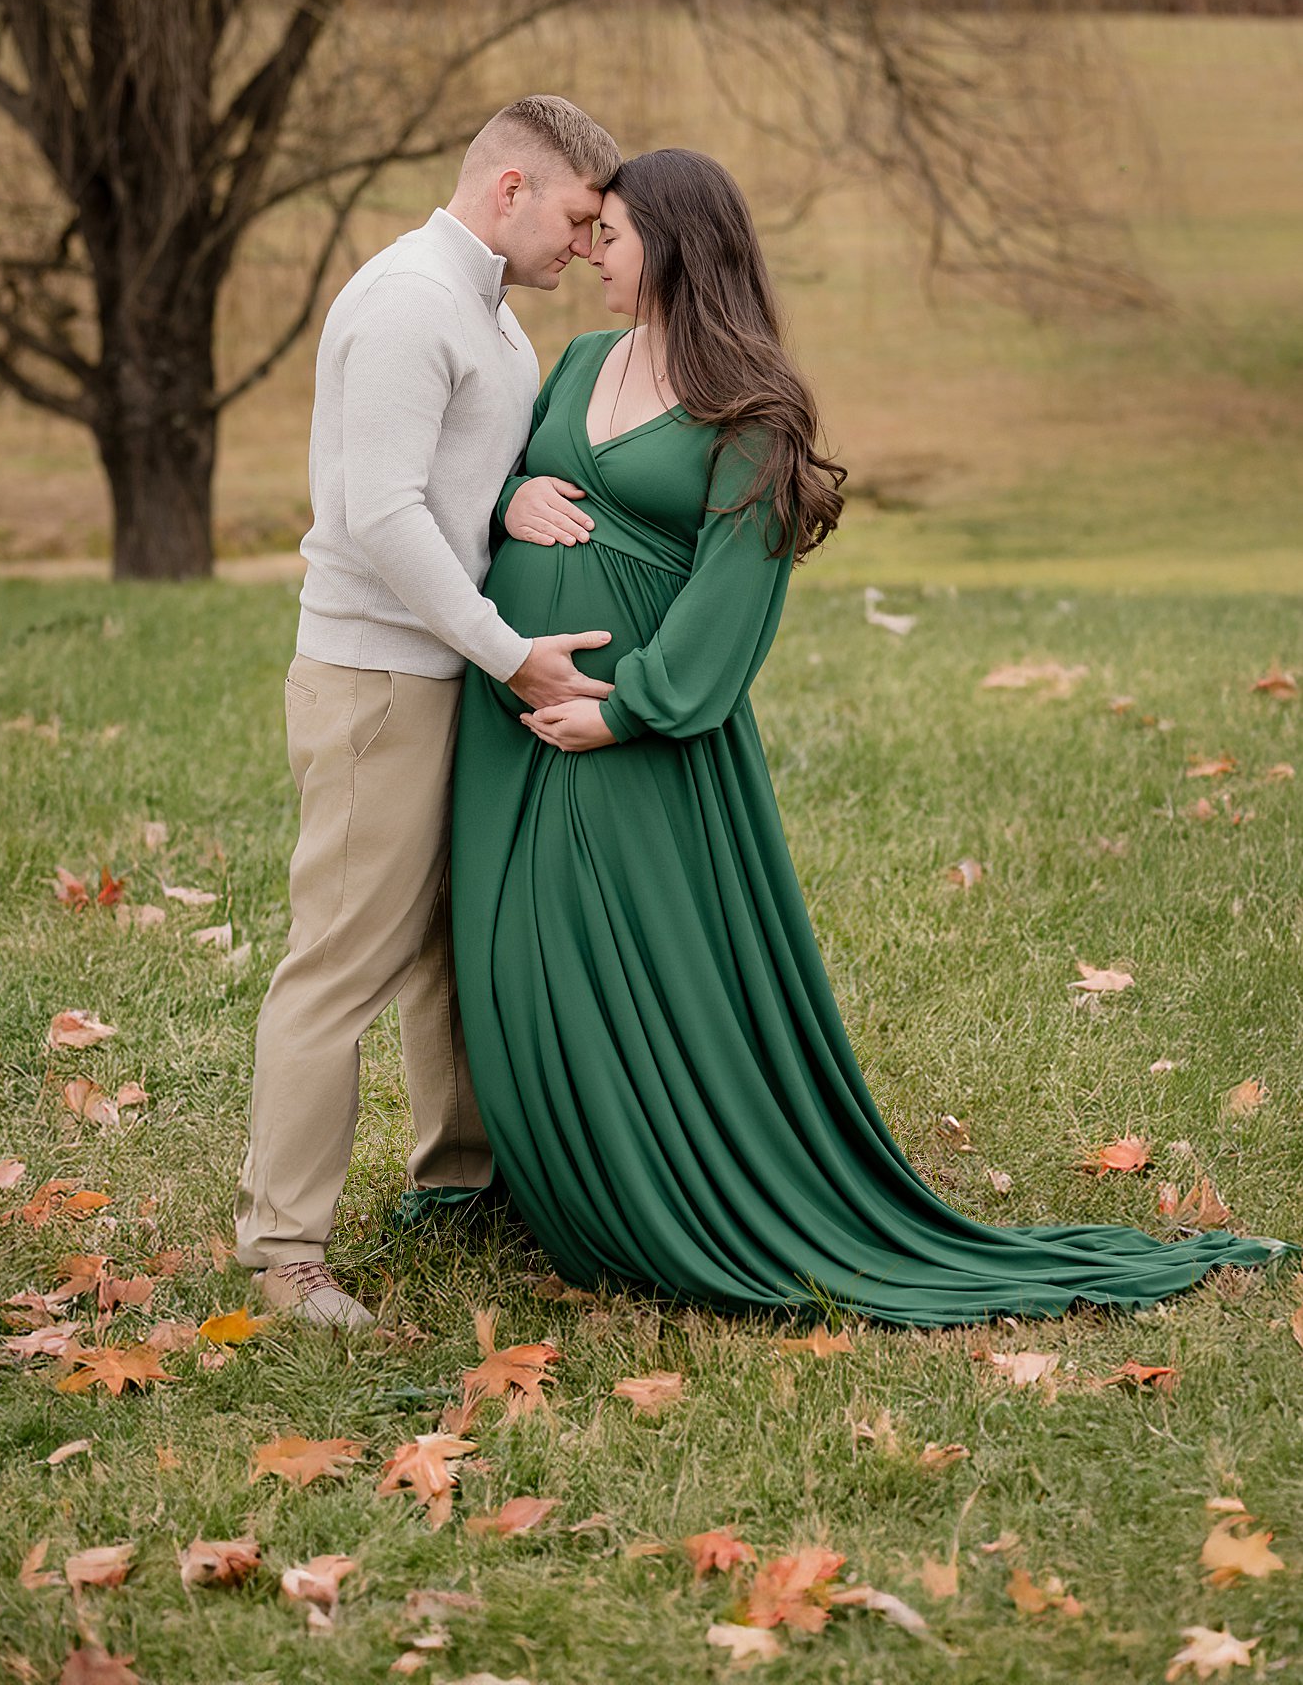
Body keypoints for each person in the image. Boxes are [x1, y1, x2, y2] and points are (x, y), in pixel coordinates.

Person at [448, 148, 1295, 1324]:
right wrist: (505, 501)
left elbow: (735, 595)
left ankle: (668, 1195)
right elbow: (496, 480)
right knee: (522, 957)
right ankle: (555, 1176)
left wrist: (627, 706)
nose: (594, 250)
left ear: (681, 245)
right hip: (513, 727)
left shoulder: (753, 404)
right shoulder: (581, 361)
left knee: (635, 966)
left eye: (618, 232)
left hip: (631, 732)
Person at [233, 95, 622, 1327]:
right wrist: (512, 653)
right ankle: (283, 1248)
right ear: (509, 187)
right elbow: (379, 517)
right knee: (343, 957)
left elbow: (445, 482)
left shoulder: (491, 319)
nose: (584, 242)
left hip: (440, 671)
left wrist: (505, 500)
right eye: (574, 215)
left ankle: (460, 1180)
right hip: (377, 677)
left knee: (454, 937)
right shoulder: (409, 299)